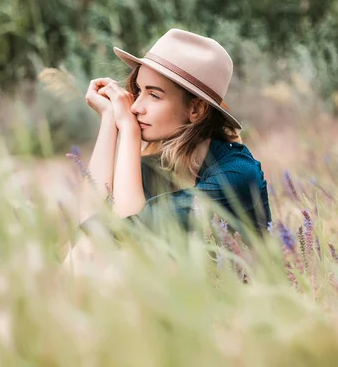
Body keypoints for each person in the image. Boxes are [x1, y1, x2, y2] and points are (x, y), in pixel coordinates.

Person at [66, 28, 271, 267]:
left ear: (196, 109)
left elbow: (129, 232)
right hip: (173, 291)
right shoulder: (156, 165)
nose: (135, 107)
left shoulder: (236, 174)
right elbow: (90, 221)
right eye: (138, 91)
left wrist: (130, 132)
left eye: (154, 95)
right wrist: (109, 119)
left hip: (236, 298)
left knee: (118, 258)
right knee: (91, 250)